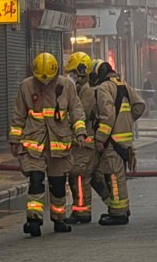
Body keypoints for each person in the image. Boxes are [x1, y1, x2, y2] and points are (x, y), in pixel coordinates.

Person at [10, 53, 87, 237]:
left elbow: (76, 110)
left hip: (59, 145)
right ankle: (34, 221)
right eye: (40, 80)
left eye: (48, 80)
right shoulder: (26, 87)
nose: (45, 83)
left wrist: (81, 132)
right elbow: (18, 116)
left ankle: (59, 219)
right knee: (35, 181)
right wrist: (14, 140)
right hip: (34, 145)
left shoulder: (66, 86)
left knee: (58, 185)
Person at [90, 59, 145, 226]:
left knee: (113, 177)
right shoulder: (123, 84)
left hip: (112, 141)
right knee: (116, 176)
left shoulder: (103, 88)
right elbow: (140, 105)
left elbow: (107, 115)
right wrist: (126, 121)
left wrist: (100, 138)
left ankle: (118, 213)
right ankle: (121, 208)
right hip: (124, 140)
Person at [63, 51, 98, 224]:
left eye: (73, 73)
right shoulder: (81, 89)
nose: (71, 77)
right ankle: (115, 206)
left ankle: (82, 211)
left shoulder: (87, 92)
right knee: (87, 176)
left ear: (82, 71)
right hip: (80, 143)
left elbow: (80, 114)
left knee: (79, 176)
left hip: (85, 142)